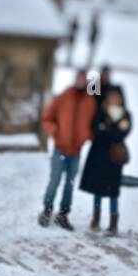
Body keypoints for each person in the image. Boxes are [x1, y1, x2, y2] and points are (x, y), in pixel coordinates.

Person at [38, 70, 97, 230]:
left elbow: (94, 123)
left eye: (84, 79)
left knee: (69, 185)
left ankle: (63, 214)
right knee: (54, 180)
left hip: (76, 151)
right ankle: (47, 210)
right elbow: (47, 118)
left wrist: (87, 136)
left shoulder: (90, 101)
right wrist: (55, 131)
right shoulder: (64, 97)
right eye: (79, 78)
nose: (81, 82)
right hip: (60, 148)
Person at [80, 86, 132, 236]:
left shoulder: (126, 114)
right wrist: (110, 130)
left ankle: (113, 223)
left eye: (117, 97)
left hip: (115, 158)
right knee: (98, 189)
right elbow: (96, 129)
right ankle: (95, 219)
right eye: (112, 97)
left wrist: (107, 129)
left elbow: (121, 133)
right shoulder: (100, 112)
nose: (114, 100)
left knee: (113, 191)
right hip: (99, 156)